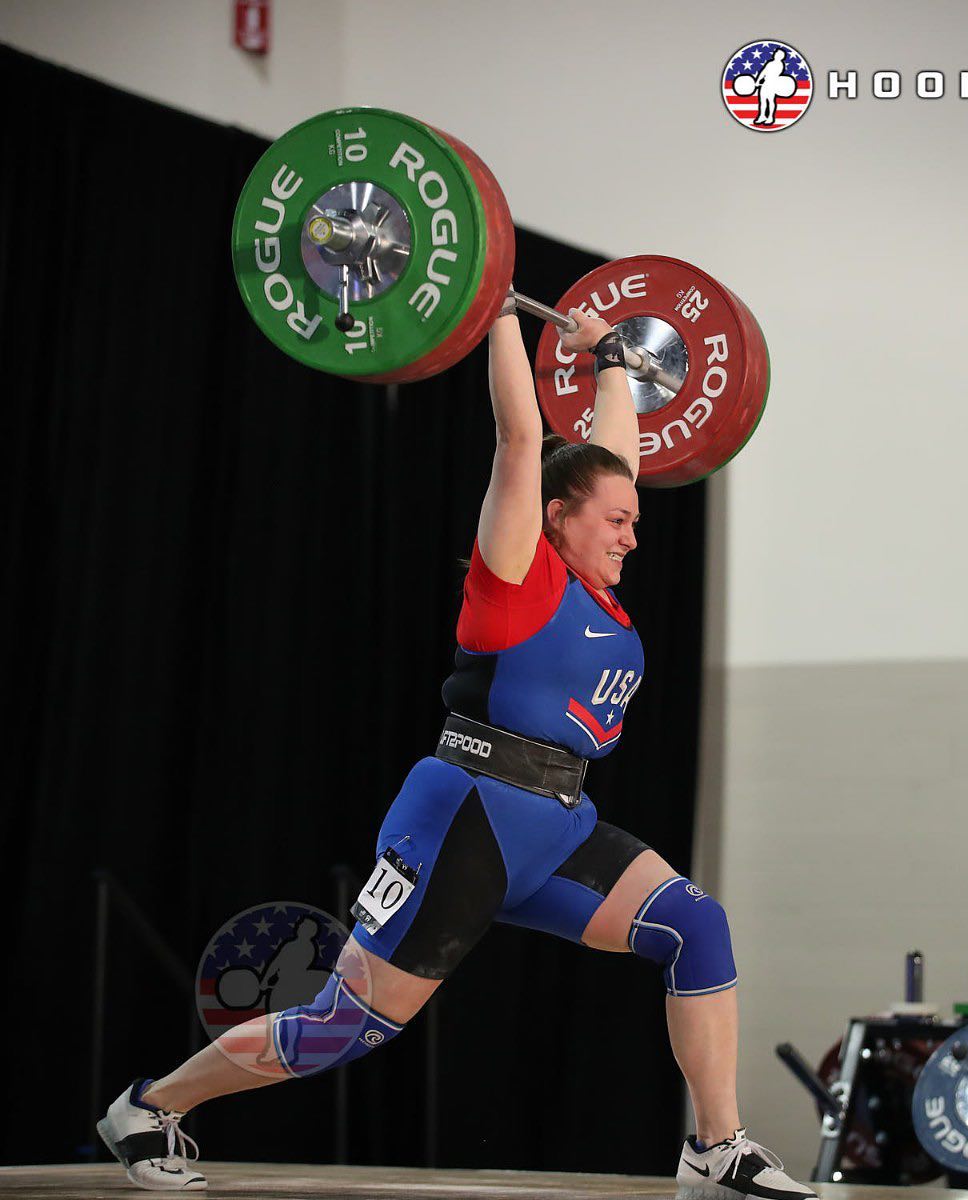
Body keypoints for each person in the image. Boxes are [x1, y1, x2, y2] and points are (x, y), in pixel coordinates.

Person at [97, 296, 814, 1199]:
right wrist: (495, 308)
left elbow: (612, 463)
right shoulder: (517, 577)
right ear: (556, 517)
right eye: (617, 522)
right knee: (344, 1025)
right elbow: (521, 440)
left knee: (695, 926)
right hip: (465, 817)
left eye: (634, 520)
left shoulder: (595, 586)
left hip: (558, 821)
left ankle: (716, 1148)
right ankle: (149, 1107)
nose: (633, 535)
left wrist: (611, 362)